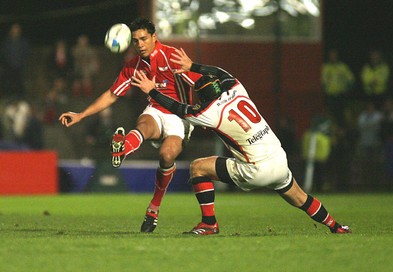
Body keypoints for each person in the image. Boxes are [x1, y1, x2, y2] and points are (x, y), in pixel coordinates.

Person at [132, 48, 351, 235]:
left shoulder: (209, 112)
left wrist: (152, 91)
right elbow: (221, 72)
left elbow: (178, 109)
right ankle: (335, 226)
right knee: (299, 196)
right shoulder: (238, 90)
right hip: (278, 159)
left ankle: (209, 223)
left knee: (197, 168)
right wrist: (193, 65)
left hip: (255, 169)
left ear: (203, 97)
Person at [59, 18, 200, 233]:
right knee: (143, 123)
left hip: (179, 116)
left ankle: (153, 208)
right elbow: (111, 94)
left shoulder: (172, 56)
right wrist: (82, 114)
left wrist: (206, 114)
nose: (140, 44)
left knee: (167, 155)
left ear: (154, 37)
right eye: (135, 41)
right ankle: (122, 148)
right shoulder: (133, 67)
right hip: (155, 110)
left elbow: (200, 82)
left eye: (144, 39)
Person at [321, 49, 354, 125]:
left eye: (334, 55)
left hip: (340, 96)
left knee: (341, 116)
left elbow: (351, 80)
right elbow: (321, 82)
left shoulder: (342, 67)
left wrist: (347, 91)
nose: (333, 57)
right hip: (329, 96)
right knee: (330, 115)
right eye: (331, 55)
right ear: (329, 56)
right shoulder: (325, 67)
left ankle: (342, 132)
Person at [0, 23, 31, 99]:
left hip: (20, 67)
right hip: (8, 67)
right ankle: (9, 98)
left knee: (20, 83)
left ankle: (20, 98)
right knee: (9, 83)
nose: (15, 31)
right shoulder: (6, 42)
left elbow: (27, 53)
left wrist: (23, 63)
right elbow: (3, 54)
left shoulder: (23, 42)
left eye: (17, 29)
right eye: (14, 29)